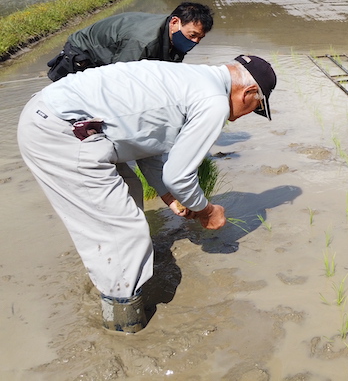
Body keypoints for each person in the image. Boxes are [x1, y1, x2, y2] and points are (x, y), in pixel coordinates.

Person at [17, 54, 277, 332]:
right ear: (249, 92)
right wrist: (207, 210)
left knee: (129, 193)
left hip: (50, 115)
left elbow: (147, 144)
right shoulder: (213, 101)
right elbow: (179, 174)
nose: (241, 118)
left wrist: (168, 196)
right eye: (255, 106)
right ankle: (124, 327)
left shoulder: (189, 78)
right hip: (60, 131)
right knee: (124, 232)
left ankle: (115, 287)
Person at [46, 1, 214, 81]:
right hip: (83, 55)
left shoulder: (173, 34)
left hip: (113, 54)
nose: (196, 42)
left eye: (200, 37)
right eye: (193, 35)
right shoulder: (142, 42)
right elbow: (120, 80)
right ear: (175, 22)